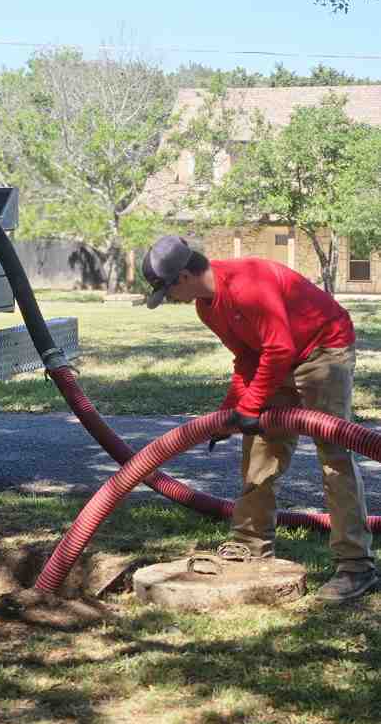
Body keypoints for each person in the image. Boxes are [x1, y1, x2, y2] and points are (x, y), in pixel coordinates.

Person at [141, 234, 377, 604]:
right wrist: (230, 411)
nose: (170, 299)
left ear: (184, 276)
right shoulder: (207, 306)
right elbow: (248, 358)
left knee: (333, 453)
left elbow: (278, 347)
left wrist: (249, 409)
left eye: (168, 291)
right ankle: (251, 544)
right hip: (278, 356)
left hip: (322, 347)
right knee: (260, 452)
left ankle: (356, 566)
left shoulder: (247, 284)